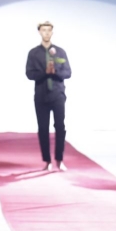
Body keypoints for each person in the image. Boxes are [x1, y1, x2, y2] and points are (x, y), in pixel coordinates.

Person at [25, 20, 72, 171]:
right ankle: (47, 161)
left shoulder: (60, 52)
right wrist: (44, 73)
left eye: (49, 30)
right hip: (41, 95)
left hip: (58, 94)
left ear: (52, 32)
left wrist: (55, 71)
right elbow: (29, 74)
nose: (46, 33)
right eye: (43, 30)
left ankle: (59, 159)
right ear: (39, 32)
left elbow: (68, 72)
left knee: (60, 127)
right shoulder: (34, 53)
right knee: (43, 128)